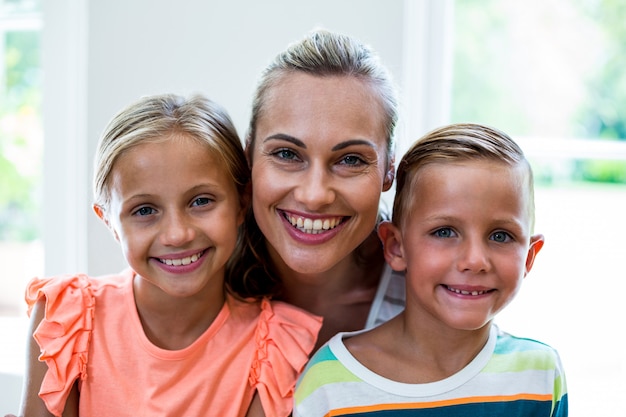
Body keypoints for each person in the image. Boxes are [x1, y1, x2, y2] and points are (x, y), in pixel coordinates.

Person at [13, 94, 321, 417]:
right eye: (144, 210)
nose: (177, 234)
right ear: (109, 222)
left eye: (201, 201)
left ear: (242, 203)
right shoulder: (65, 319)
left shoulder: (274, 346)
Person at [294, 123, 568, 416]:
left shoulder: (539, 372)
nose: (475, 261)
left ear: (529, 256)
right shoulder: (331, 382)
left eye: (500, 236)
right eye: (445, 232)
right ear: (396, 247)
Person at [231, 29, 405, 351]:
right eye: (287, 154)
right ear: (249, 157)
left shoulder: (435, 293)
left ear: (389, 168)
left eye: (350, 160)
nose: (314, 195)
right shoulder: (197, 276)